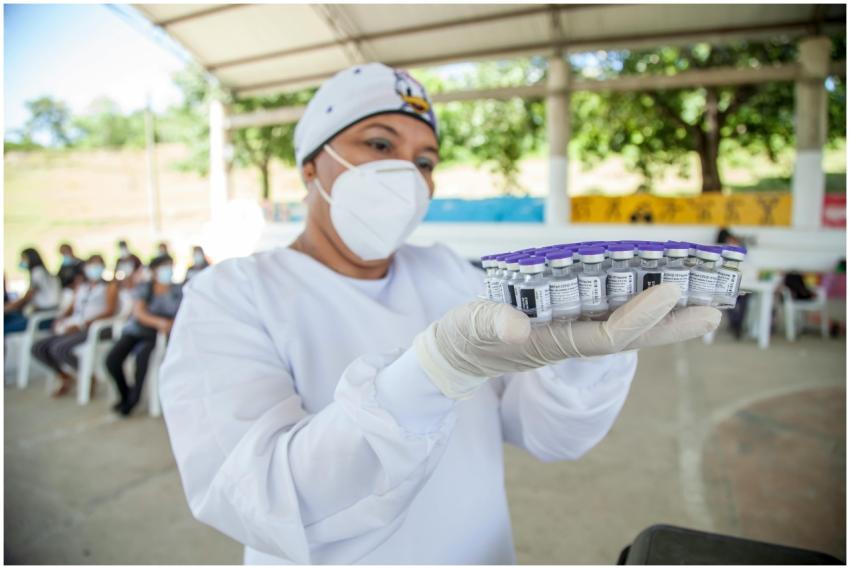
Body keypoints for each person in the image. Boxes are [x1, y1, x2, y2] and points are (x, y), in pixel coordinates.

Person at [159, 63, 721, 565]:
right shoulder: (234, 294)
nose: (406, 174)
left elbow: (549, 436)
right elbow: (260, 497)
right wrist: (431, 372)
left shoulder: (449, 274)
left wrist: (583, 355)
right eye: (379, 145)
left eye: (424, 161)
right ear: (311, 166)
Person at [31, 254, 119, 397]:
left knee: (59, 348)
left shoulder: (109, 286)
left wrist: (83, 324)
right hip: (74, 325)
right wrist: (60, 319)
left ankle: (88, 376)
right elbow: (71, 308)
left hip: (94, 327)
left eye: (98, 264)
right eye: (92, 264)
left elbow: (110, 311)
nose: (95, 268)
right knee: (38, 348)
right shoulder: (81, 287)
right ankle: (64, 376)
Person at [106, 255, 182, 416]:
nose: (168, 270)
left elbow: (181, 314)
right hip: (137, 330)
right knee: (112, 360)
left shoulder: (178, 290)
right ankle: (125, 394)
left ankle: (134, 400)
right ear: (154, 271)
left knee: (142, 360)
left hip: (156, 336)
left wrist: (164, 324)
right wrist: (159, 322)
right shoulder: (145, 288)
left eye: (170, 266)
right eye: (164, 267)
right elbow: (139, 312)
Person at [4, 248, 61, 334]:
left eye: (23, 258)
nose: (21, 261)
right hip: (45, 312)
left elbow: (28, 296)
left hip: (45, 314)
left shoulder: (37, 273)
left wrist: (14, 306)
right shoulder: (41, 272)